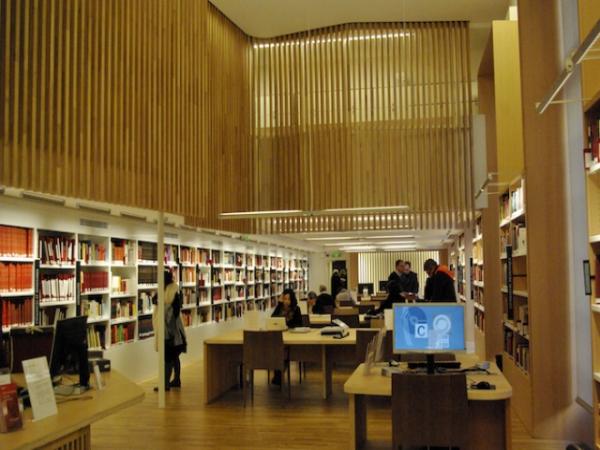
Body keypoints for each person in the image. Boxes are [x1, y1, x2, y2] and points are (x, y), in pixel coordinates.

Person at [153, 271, 187, 391]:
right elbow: (155, 300)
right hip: (172, 329)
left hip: (171, 330)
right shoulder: (166, 291)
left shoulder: (172, 292)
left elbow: (175, 311)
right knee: (173, 357)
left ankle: (165, 383)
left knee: (168, 357)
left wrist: (164, 308)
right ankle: (176, 380)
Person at [271, 289, 302, 385]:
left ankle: (278, 374)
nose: (286, 301)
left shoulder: (296, 309)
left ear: (292, 299)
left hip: (292, 337)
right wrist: (279, 304)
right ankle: (278, 374)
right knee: (276, 349)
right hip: (280, 337)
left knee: (282, 351)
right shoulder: (279, 308)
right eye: (284, 299)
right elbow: (272, 319)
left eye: (288, 299)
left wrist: (289, 327)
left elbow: (299, 325)